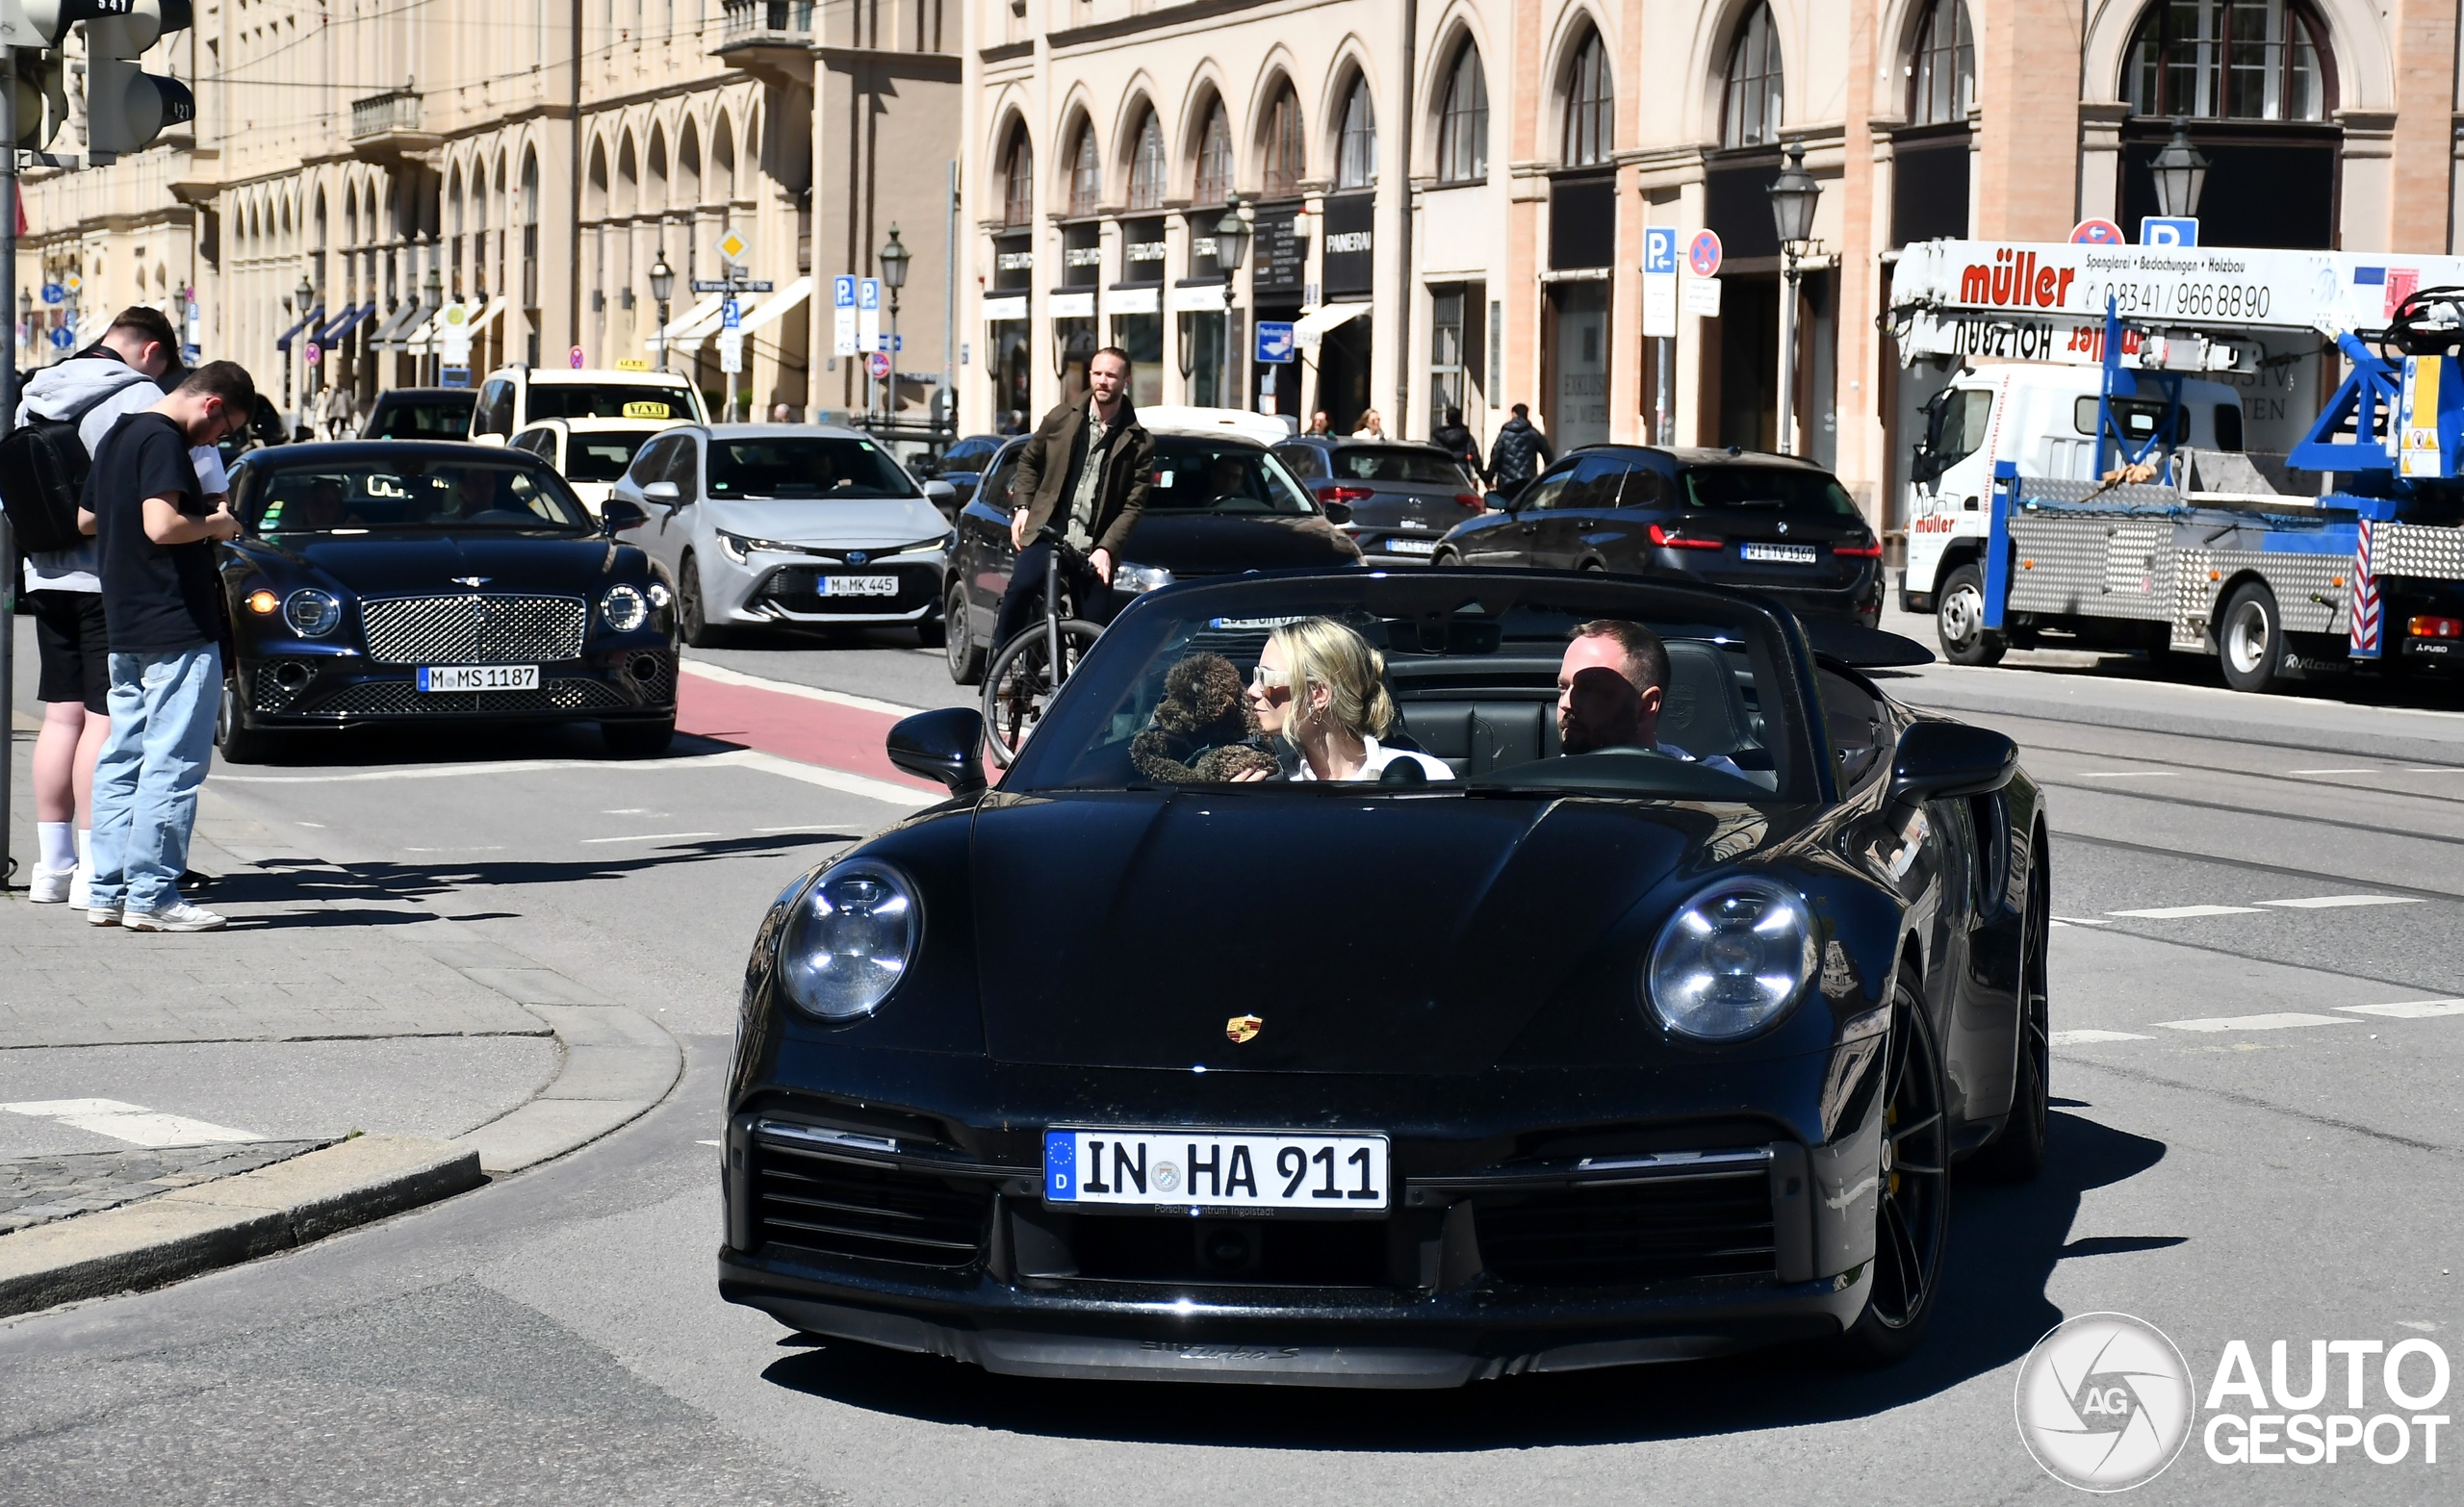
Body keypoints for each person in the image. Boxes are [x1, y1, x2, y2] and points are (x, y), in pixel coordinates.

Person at [13, 306, 202, 908]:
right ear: (151, 352)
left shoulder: (36, 390)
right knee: (106, 720)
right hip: (104, 578)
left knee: (60, 717)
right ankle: (99, 868)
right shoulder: (137, 399)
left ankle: (52, 866)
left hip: (43, 571)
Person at [83, 361, 259, 932]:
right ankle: (153, 896)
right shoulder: (163, 438)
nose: (218, 440)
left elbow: (87, 519)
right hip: (174, 620)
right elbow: (161, 526)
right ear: (212, 405)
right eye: (224, 428)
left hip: (125, 618)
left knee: (122, 758)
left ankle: (105, 890)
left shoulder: (119, 432)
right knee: (174, 762)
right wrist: (218, 524)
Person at [994, 345, 1153, 652]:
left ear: (1126, 380)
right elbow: (1028, 461)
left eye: (1111, 375)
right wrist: (1023, 506)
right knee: (1021, 589)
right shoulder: (1062, 418)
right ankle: (1002, 667)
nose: (1103, 381)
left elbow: (1133, 506)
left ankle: (1082, 695)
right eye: (1097, 374)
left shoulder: (1139, 442)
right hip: (1048, 533)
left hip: (1092, 547)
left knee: (1094, 630)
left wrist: (1107, 548)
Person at [1236, 618, 1452, 782]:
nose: (1251, 691)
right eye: (1255, 677)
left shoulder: (1430, 777)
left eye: (1265, 678)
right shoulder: (1262, 781)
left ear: (1318, 695)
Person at [1556, 619, 1744, 776]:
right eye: (1564, 688)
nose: (1566, 704)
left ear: (1647, 705)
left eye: (1589, 690)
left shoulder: (1713, 784)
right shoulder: (1544, 784)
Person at [1487, 402, 1553, 495]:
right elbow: (1548, 456)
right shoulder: (1534, 434)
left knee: (1508, 506)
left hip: (1507, 483)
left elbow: (1495, 457)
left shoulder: (1504, 435)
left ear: (1514, 414)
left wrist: (1489, 478)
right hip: (1528, 482)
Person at [1431, 406, 1479, 479]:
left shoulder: (1438, 438)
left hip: (1441, 475)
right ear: (1460, 419)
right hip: (1462, 476)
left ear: (1447, 419)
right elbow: (1476, 459)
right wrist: (1485, 477)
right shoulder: (1467, 437)